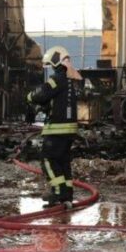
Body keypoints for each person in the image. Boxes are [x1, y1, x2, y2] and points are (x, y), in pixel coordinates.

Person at [27, 46, 82, 207]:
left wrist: (29, 97)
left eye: (51, 65)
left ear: (56, 62)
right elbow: (56, 100)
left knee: (48, 159)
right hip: (70, 129)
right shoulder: (71, 80)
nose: (51, 68)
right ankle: (67, 194)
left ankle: (58, 192)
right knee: (63, 161)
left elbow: (40, 94)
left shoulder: (57, 79)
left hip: (57, 128)